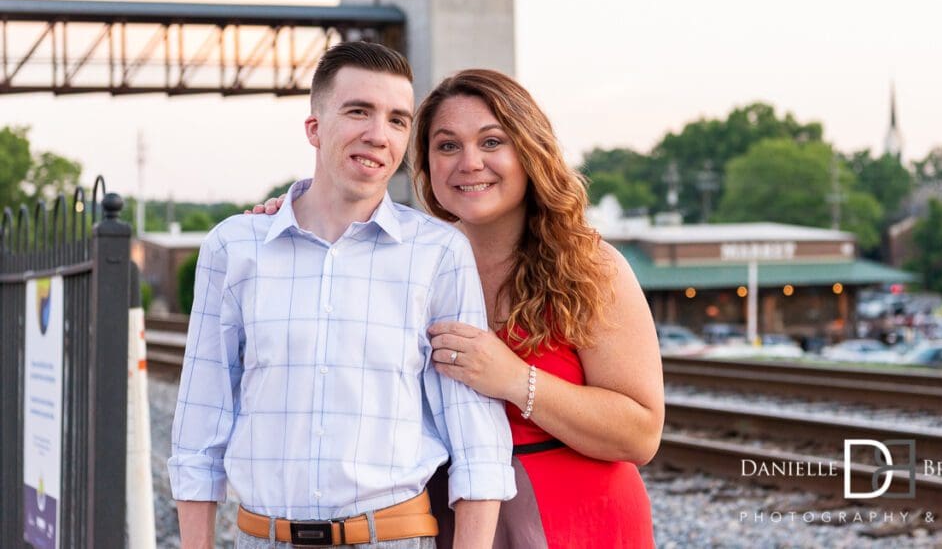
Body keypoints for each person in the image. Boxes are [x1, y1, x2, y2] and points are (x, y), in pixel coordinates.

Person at [257, 68, 664, 548]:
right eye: (447, 146)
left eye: (491, 142)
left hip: (577, 519)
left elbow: (640, 434)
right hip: (448, 514)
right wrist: (294, 213)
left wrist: (514, 379)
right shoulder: (412, 261)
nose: (469, 162)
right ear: (426, 166)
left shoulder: (590, 267)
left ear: (529, 151)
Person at [169, 43, 515, 549]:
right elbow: (199, 426)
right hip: (262, 538)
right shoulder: (235, 247)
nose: (379, 135)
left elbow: (477, 437)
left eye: (398, 120)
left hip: (391, 537)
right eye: (359, 111)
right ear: (314, 127)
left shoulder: (438, 253)